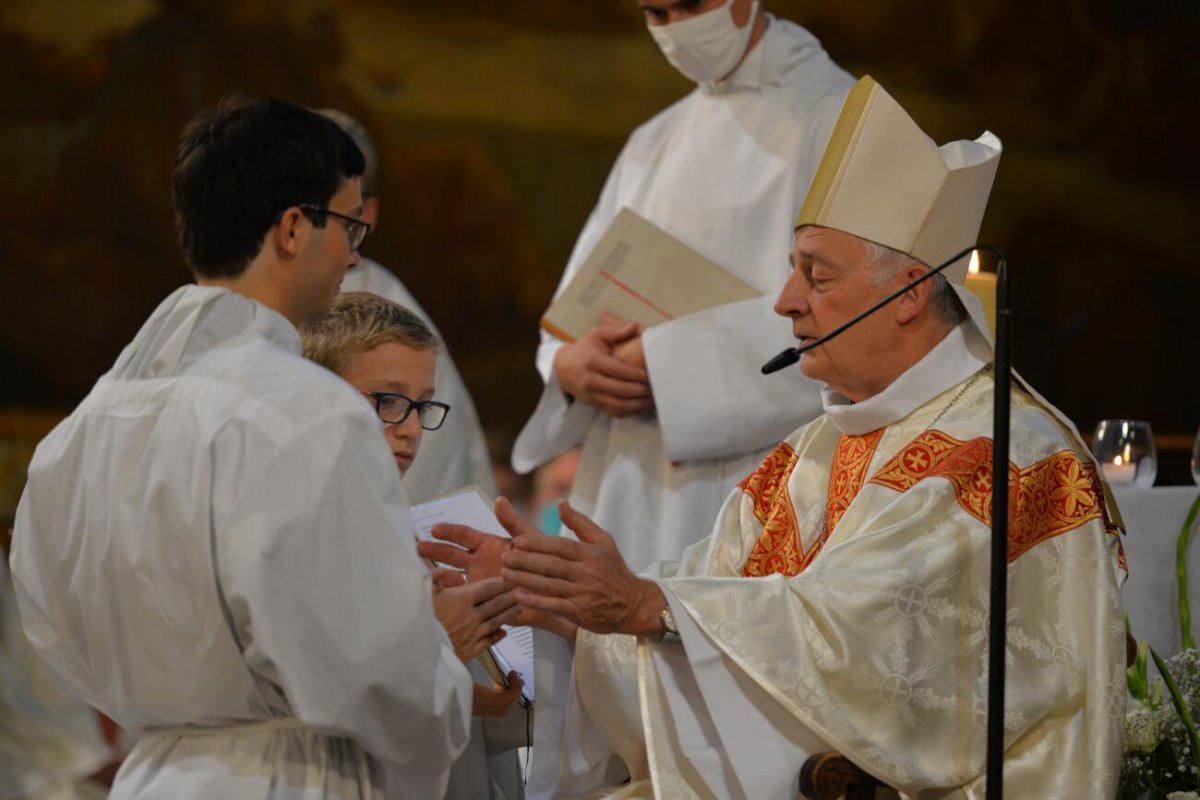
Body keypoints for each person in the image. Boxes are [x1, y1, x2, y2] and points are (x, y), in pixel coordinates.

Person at [423, 77, 1127, 798]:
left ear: (909, 292)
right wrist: (562, 603)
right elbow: (705, 604)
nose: (786, 302)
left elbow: (871, 654)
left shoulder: (1007, 455)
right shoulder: (813, 453)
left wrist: (646, 607)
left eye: (814, 276)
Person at [9, 95, 518, 800]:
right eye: (345, 226)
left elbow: (50, 627)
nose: (351, 253)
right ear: (291, 229)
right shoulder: (308, 413)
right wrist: (435, 643)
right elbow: (382, 685)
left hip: (153, 773)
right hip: (293, 776)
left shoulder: (86, 426)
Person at [512, 0, 855, 573]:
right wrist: (570, 367)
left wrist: (672, 366)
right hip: (626, 475)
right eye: (655, 12)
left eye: (690, 6)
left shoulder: (838, 116)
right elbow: (573, 307)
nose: (675, 29)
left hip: (766, 476)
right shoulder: (653, 140)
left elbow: (857, 311)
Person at [300, 291, 529, 800]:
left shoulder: (406, 529)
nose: (409, 429)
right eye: (385, 401)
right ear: (312, 394)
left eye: (422, 405)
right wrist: (436, 643)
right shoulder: (294, 530)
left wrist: (466, 695)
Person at [317, 108, 497, 502]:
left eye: (322, 209)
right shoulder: (254, 303)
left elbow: (415, 490)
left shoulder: (398, 328)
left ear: (366, 214)